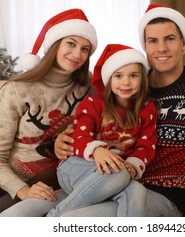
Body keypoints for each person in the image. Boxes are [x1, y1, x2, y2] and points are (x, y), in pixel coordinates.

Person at [1, 4, 185, 217]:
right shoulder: (127, 85)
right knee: (17, 216)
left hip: (159, 196)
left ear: (183, 44)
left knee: (70, 223)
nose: (161, 48)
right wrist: (58, 144)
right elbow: (84, 128)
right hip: (100, 181)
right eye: (152, 41)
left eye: (169, 39)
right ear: (144, 47)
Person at [0, 8, 98, 217]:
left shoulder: (88, 87)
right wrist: (22, 190)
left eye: (85, 48)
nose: (77, 54)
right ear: (55, 44)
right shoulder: (17, 89)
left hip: (47, 181)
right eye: (71, 43)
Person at [46, 44, 157, 217]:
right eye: (118, 76)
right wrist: (96, 151)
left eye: (133, 75)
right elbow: (79, 137)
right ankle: (54, 218)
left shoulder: (147, 109)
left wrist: (134, 166)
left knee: (136, 191)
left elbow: (146, 144)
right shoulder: (93, 104)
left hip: (114, 173)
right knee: (119, 173)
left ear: (142, 78)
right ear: (109, 79)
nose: (126, 82)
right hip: (75, 167)